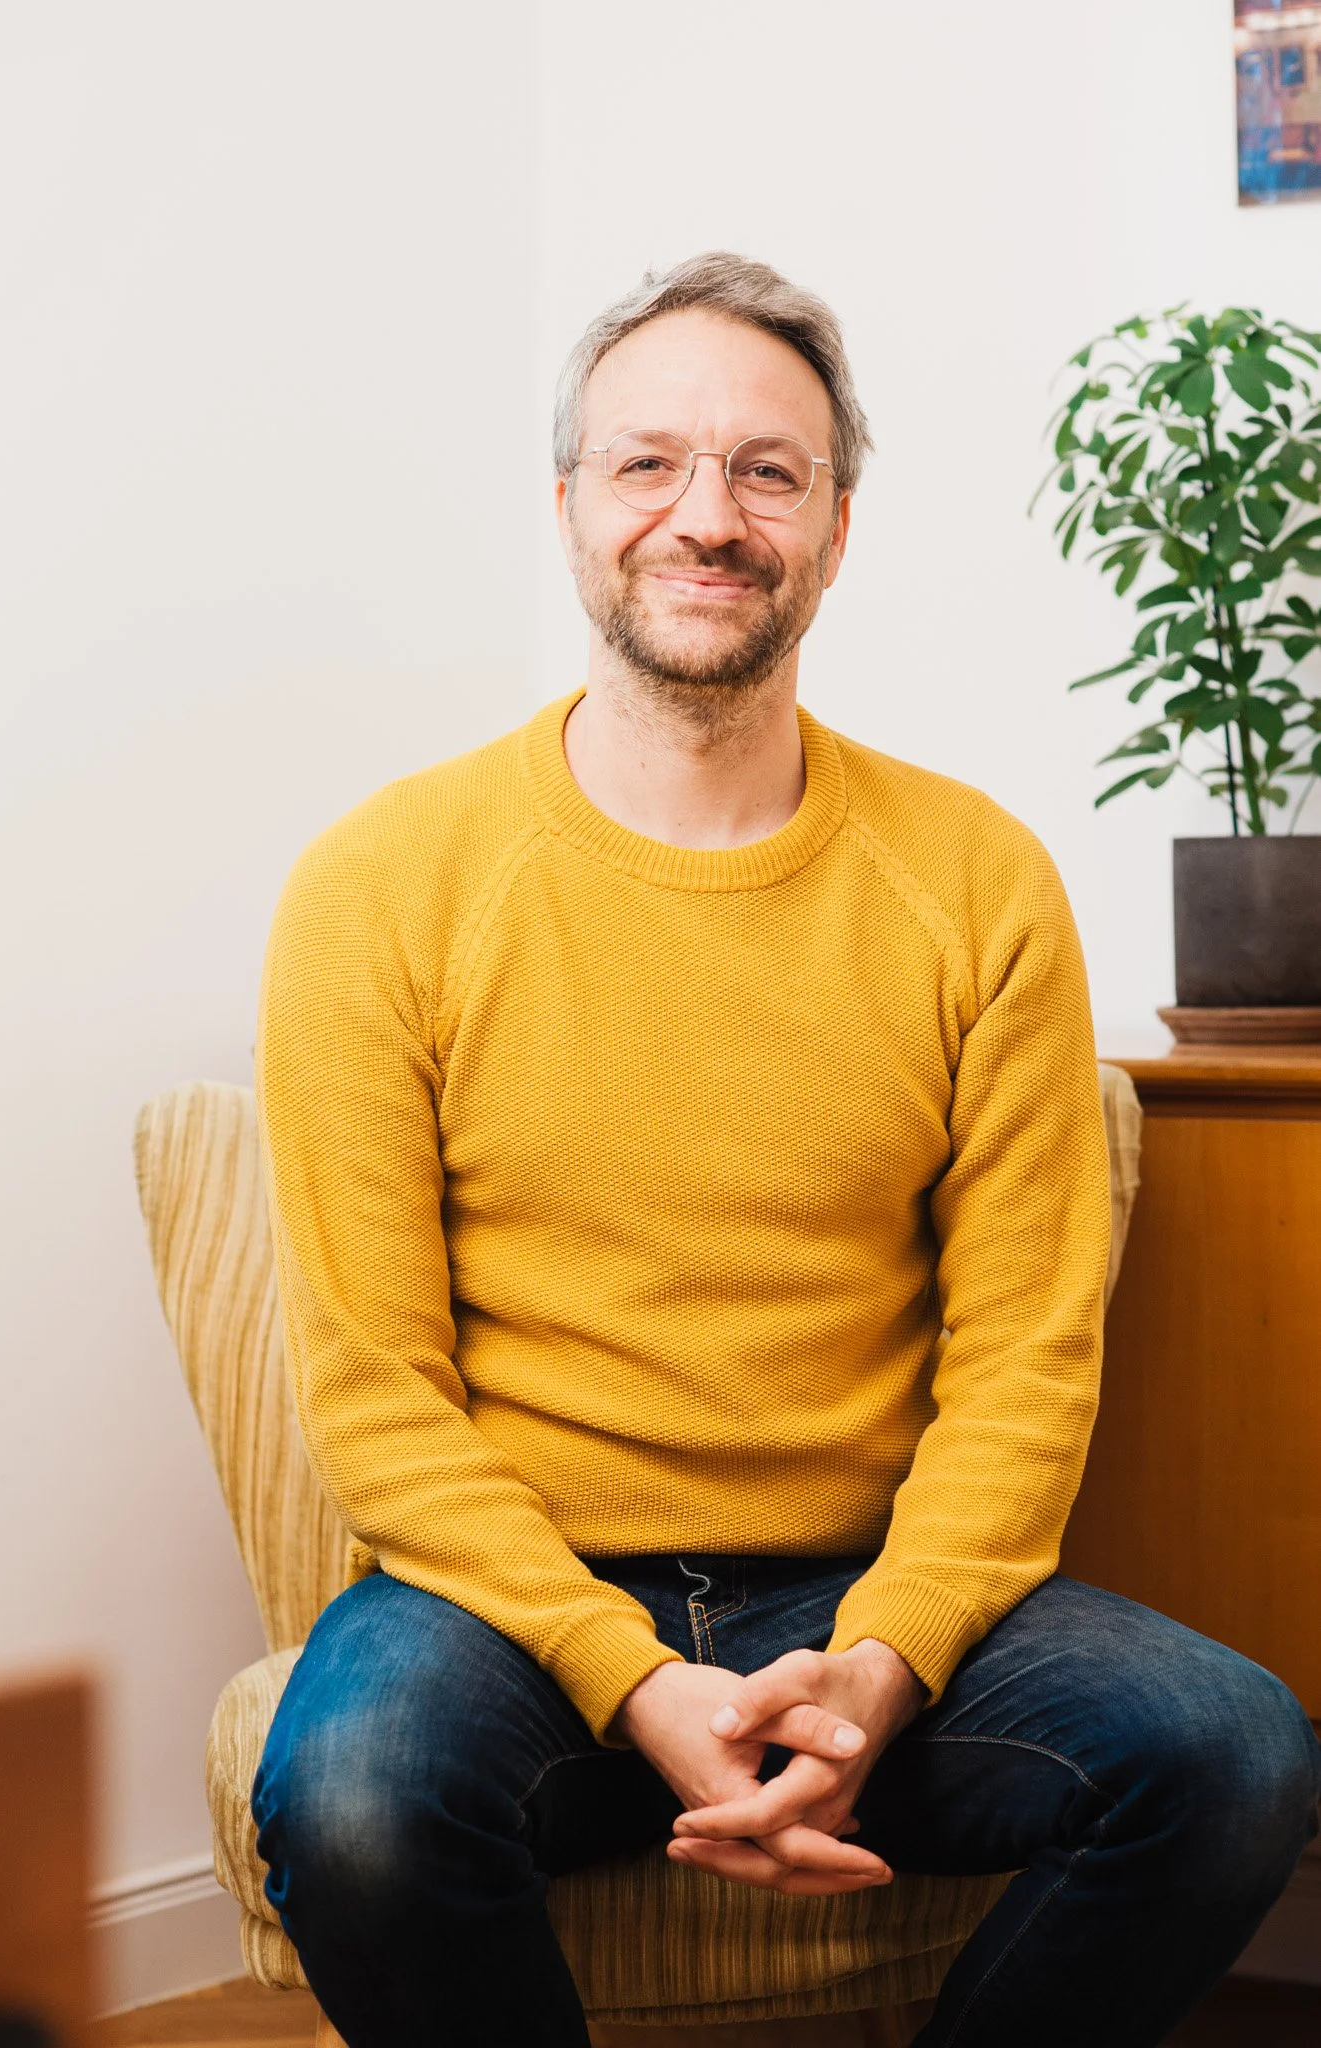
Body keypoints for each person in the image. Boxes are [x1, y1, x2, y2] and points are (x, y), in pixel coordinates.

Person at [249, 252, 1320, 2048]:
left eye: (768, 470)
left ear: (834, 527)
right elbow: (375, 1393)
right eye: (648, 462)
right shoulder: (379, 888)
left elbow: (1023, 1358)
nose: (707, 515)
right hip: (512, 1608)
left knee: (1233, 1754)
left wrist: (884, 1663)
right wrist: (633, 1683)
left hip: (866, 1585)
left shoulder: (975, 880)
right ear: (573, 504)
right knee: (354, 1800)